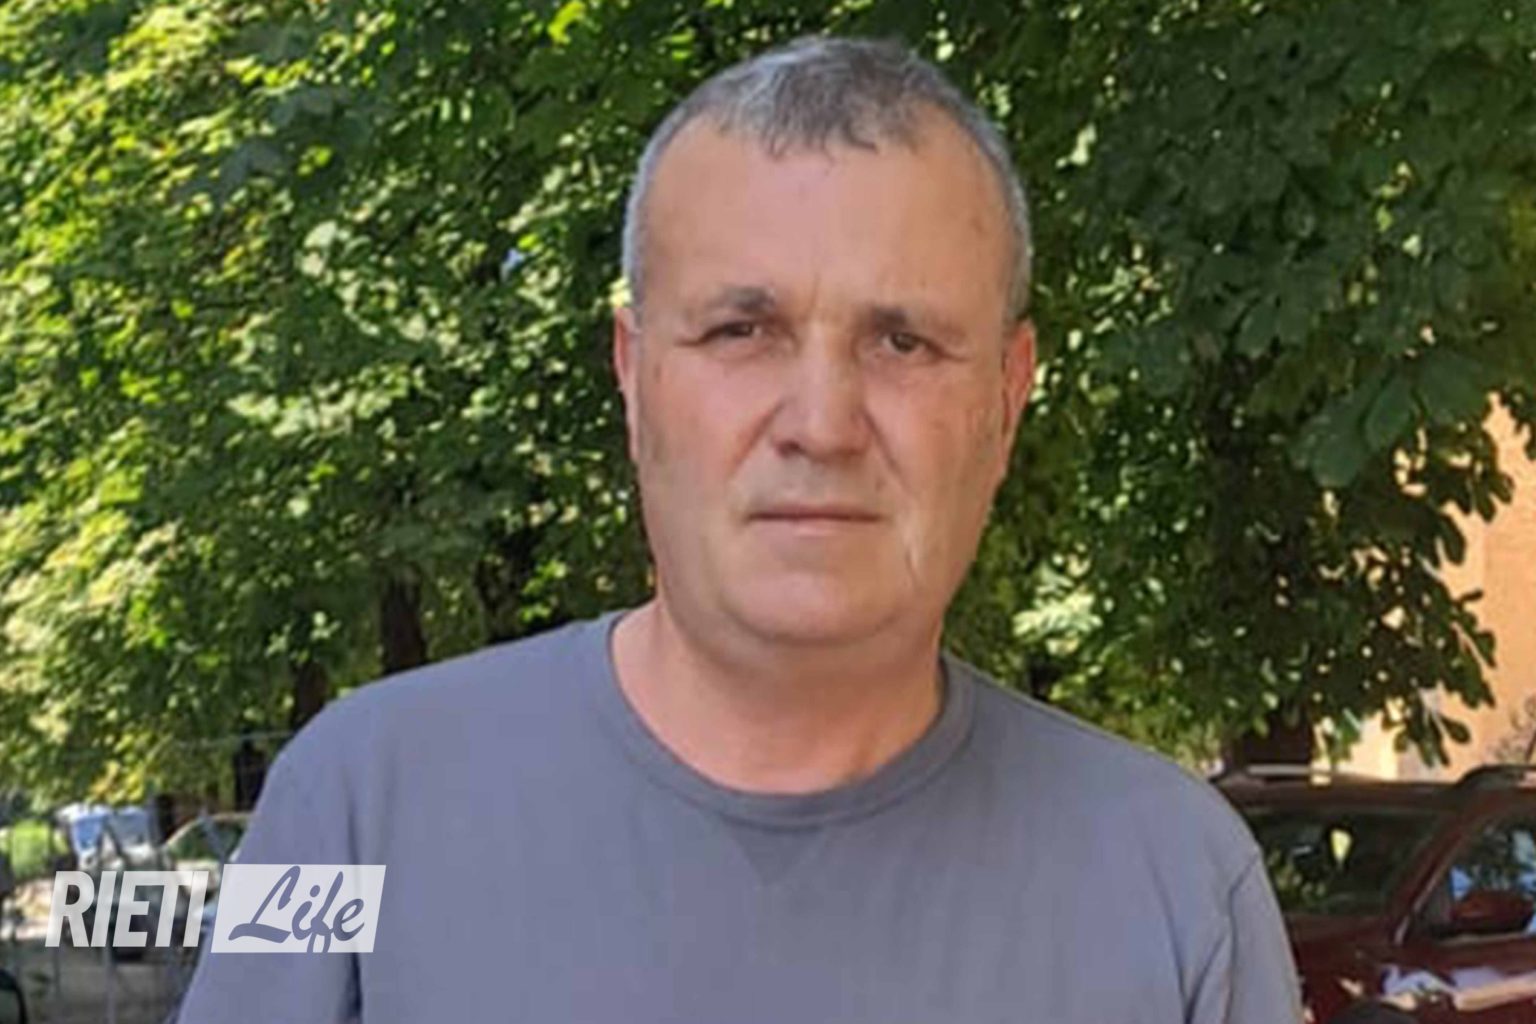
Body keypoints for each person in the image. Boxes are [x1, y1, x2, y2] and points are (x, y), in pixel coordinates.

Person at [179, 36, 1302, 1023]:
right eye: (741, 331)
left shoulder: (1179, 891)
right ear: (634, 376)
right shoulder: (344, 808)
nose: (822, 424)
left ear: (1006, 400)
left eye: (902, 342)